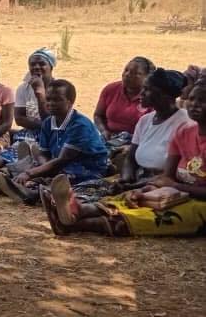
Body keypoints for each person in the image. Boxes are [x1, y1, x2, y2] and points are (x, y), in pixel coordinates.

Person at [42, 80, 206, 237]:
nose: (194, 104)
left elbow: (172, 182)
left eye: (202, 100)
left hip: (199, 202)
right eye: (191, 99)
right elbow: (167, 177)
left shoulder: (180, 124)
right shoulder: (184, 133)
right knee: (131, 199)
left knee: (156, 216)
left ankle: (72, 224)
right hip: (176, 192)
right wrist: (142, 190)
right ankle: (80, 210)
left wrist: (175, 186)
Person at [0, 79, 109, 203]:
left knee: (60, 180)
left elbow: (62, 160)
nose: (50, 103)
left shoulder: (80, 125)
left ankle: (18, 190)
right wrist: (43, 167)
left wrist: (31, 173)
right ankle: (13, 186)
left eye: (57, 100)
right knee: (30, 170)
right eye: (48, 99)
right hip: (58, 164)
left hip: (87, 168)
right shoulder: (48, 123)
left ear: (70, 102)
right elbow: (44, 154)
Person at [116, 69, 192, 189]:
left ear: (164, 95)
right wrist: (126, 178)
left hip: (163, 185)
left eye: (147, 89)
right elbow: (130, 158)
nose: (141, 93)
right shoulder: (145, 120)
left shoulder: (185, 124)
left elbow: (176, 173)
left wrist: (133, 187)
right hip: (138, 179)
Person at [94, 56, 154, 151]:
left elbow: (154, 131)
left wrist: (132, 147)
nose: (127, 75)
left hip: (137, 143)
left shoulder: (152, 97)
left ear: (147, 77)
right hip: (109, 139)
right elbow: (98, 115)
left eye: (135, 73)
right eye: (126, 70)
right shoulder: (111, 89)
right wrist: (104, 131)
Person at [13, 47, 57, 144]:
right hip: (29, 133)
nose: (36, 67)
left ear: (51, 67)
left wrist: (40, 92)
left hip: (55, 135)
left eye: (42, 64)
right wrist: (44, 125)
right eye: (32, 64)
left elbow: (53, 122)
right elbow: (19, 119)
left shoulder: (59, 88)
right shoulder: (23, 88)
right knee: (9, 154)